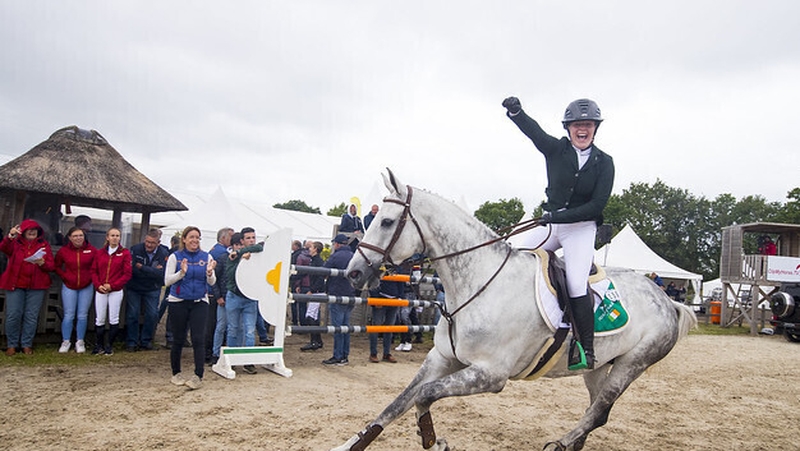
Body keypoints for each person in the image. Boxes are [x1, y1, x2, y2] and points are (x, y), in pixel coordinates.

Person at [502, 96, 615, 370]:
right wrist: (518, 113)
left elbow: (596, 205)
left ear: (595, 128)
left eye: (588, 124)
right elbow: (535, 133)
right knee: (515, 259)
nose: (582, 129)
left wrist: (558, 216)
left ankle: (584, 347)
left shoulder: (605, 162)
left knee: (577, 283)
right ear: (568, 128)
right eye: (577, 124)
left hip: (581, 229)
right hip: (551, 226)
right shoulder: (556, 150)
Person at [164, 226, 216, 390]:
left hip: (199, 301)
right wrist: (181, 273)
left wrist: (209, 273)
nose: (195, 240)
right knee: (178, 338)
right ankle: (176, 373)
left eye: (197, 237)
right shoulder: (175, 257)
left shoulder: (206, 256)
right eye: (192, 237)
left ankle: (198, 375)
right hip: (178, 301)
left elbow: (212, 282)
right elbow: (167, 281)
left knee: (198, 338)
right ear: (184, 239)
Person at [1, 219, 55, 356]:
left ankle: (26, 344)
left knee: (31, 316)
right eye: (29, 230)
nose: (32, 232)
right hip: (15, 284)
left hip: (36, 286)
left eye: (35, 230)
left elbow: (51, 266)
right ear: (23, 232)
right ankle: (12, 344)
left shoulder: (44, 245)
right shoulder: (15, 244)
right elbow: (4, 248)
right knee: (13, 315)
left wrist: (42, 263)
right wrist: (10, 236)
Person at [224, 227, 264, 374]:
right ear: (242, 240)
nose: (252, 240)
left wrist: (240, 253)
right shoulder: (233, 256)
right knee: (233, 329)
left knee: (250, 330)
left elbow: (260, 246)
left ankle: (249, 361)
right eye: (248, 238)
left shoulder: (257, 253)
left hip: (250, 298)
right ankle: (232, 360)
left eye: (253, 237)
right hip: (235, 296)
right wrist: (240, 259)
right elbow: (229, 275)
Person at [125, 228, 169, 352]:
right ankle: (131, 342)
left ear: (158, 243)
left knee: (152, 314)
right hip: (135, 286)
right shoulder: (135, 249)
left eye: (152, 243)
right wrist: (152, 271)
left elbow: (162, 273)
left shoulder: (164, 253)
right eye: (147, 241)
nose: (149, 245)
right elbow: (132, 269)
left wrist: (143, 268)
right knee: (133, 314)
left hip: (152, 288)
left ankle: (146, 340)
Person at [55, 226, 97, 354]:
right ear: (69, 238)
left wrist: (90, 278)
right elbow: (56, 266)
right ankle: (66, 341)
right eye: (75, 236)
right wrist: (65, 276)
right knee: (69, 315)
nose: (78, 238)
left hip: (86, 286)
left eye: (80, 235)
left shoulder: (92, 250)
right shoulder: (63, 251)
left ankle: (80, 341)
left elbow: (96, 267)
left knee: (82, 315)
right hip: (69, 286)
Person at [91, 227, 132, 355]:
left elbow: (127, 274)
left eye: (117, 235)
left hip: (115, 290)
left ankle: (109, 345)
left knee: (114, 318)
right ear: (107, 237)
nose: (115, 238)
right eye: (112, 235)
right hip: (101, 290)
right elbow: (93, 271)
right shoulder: (100, 253)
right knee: (100, 318)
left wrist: (112, 285)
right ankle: (99, 345)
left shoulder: (124, 253)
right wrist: (98, 285)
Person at [322, 234, 355, 366]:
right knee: (346, 327)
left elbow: (324, 271)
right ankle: (344, 355)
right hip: (351, 294)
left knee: (338, 328)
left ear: (337, 244)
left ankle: (337, 355)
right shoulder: (354, 255)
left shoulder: (335, 256)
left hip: (337, 293)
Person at [211, 232, 243, 364]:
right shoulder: (224, 258)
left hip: (238, 297)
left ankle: (236, 353)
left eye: (241, 245)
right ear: (233, 245)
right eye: (238, 245)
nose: (240, 248)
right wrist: (218, 296)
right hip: (224, 297)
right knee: (221, 326)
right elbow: (215, 278)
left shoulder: (246, 259)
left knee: (238, 327)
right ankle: (216, 353)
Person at [205, 227, 233, 363]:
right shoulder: (222, 253)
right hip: (215, 293)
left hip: (213, 292)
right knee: (215, 325)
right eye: (230, 237)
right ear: (223, 238)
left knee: (214, 324)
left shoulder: (214, 249)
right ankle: (211, 352)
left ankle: (210, 352)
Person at [368, 278, 401, 363]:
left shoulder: (397, 267)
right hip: (381, 298)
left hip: (394, 300)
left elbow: (400, 282)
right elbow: (373, 281)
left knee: (389, 328)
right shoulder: (379, 265)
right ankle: (373, 353)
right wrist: (375, 298)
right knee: (376, 327)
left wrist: (400, 296)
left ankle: (387, 353)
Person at [300, 241, 325, 351]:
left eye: (311, 247)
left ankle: (314, 341)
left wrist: (312, 290)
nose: (309, 249)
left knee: (311, 315)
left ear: (315, 249)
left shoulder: (317, 261)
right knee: (313, 315)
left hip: (317, 291)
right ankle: (317, 341)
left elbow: (320, 278)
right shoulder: (314, 260)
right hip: (316, 290)